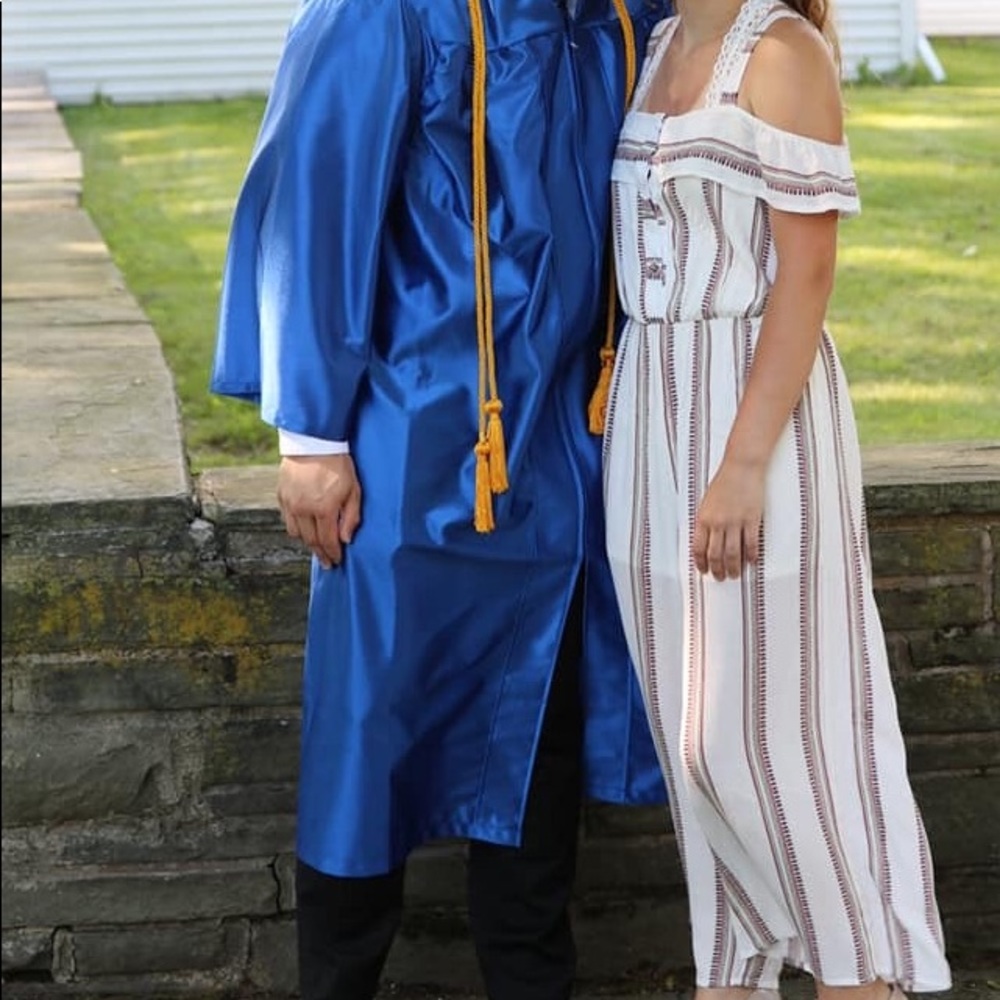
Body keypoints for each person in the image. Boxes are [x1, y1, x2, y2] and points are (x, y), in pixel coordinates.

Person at [210, 2, 672, 998]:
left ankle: (532, 980)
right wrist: (312, 437)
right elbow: (314, 200)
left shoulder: (622, 13)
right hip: (408, 451)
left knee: (539, 739)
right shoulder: (385, 12)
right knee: (369, 743)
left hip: (562, 447)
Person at [600, 1, 953, 998]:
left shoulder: (782, 52)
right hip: (649, 410)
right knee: (690, 744)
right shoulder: (660, 42)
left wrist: (744, 460)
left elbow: (806, 272)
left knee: (771, 737)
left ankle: (857, 974)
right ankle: (731, 975)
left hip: (751, 412)